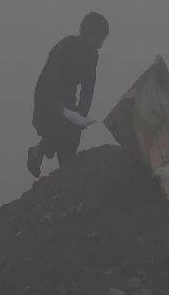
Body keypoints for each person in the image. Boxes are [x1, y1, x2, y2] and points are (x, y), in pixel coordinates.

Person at [27, 12, 109, 177]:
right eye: (97, 38)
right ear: (85, 33)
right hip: (47, 94)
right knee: (58, 130)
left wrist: (82, 114)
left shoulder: (93, 56)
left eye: (102, 40)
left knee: (72, 135)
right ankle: (37, 152)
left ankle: (66, 174)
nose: (99, 44)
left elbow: (88, 86)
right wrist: (58, 103)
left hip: (68, 96)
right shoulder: (66, 46)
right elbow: (52, 75)